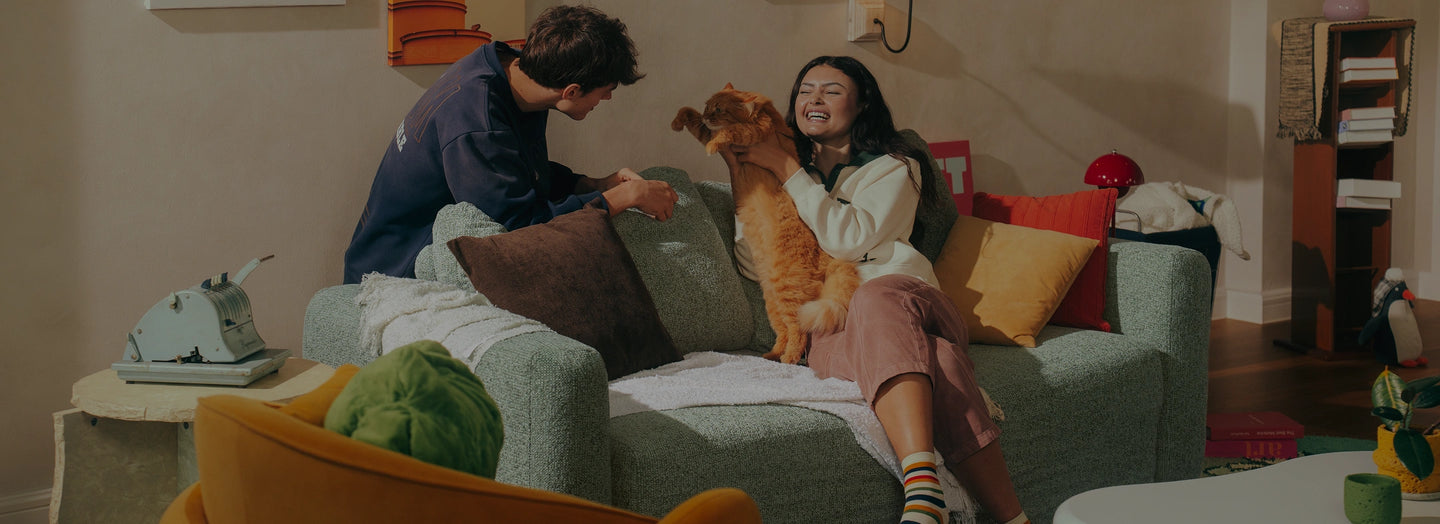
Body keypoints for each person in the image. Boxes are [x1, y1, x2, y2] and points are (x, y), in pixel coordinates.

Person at [722, 56, 1029, 524]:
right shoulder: (785, 174)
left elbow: (850, 240)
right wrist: (745, 182)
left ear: (862, 103)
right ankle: (1015, 520)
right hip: (835, 326)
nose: (814, 98)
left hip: (908, 299)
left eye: (831, 90)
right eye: (805, 90)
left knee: (874, 295)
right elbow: (754, 265)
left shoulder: (893, 168)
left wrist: (787, 170)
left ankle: (921, 490)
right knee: (942, 363)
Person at [343, 5, 679, 284]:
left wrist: (593, 184)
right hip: (392, 274)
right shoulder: (477, 120)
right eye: (606, 91)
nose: (607, 99)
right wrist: (623, 197)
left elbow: (515, 171)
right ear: (571, 91)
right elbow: (522, 229)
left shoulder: (514, 72)